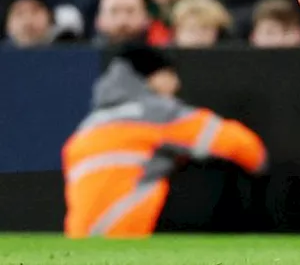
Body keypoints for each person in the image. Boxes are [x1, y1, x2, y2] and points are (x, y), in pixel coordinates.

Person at [62, 45, 266, 238]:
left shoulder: (89, 125)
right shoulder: (160, 113)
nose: (176, 84)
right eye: (170, 75)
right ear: (154, 77)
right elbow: (248, 149)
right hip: (128, 237)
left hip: (79, 241)